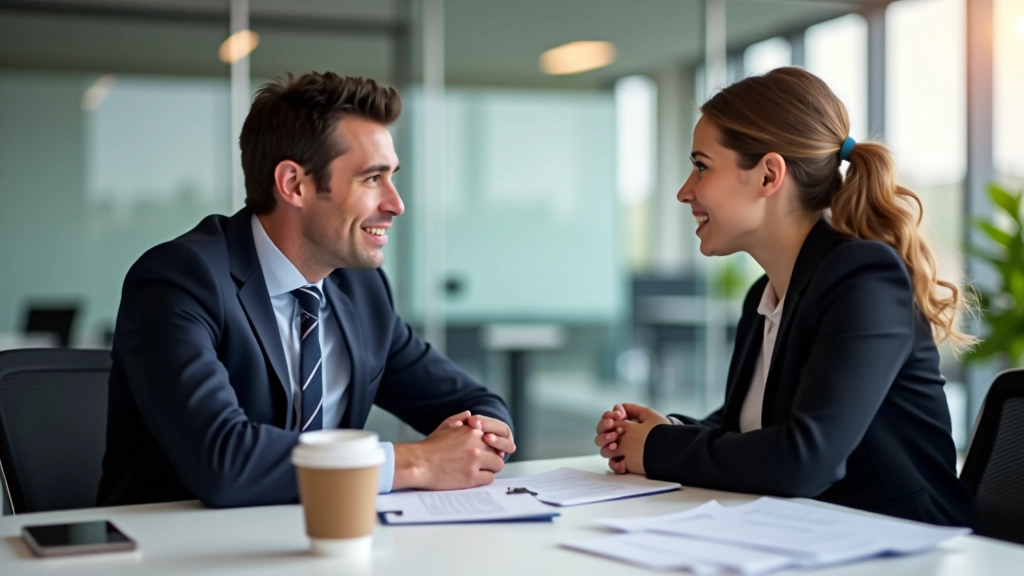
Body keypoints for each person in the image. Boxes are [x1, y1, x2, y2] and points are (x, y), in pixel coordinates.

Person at [98, 72, 514, 508]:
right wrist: (417, 462)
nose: (396, 203)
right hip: (178, 539)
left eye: (392, 176)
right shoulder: (180, 280)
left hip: (329, 531)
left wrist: (478, 439)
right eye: (372, 179)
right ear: (294, 184)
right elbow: (223, 461)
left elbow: (474, 401)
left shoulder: (361, 289)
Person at [594, 67, 974, 527]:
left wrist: (657, 448)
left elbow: (804, 459)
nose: (684, 191)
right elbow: (750, 430)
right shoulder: (766, 293)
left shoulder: (865, 279)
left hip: (906, 543)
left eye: (701, 166)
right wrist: (665, 430)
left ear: (769, 175)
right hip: (811, 534)